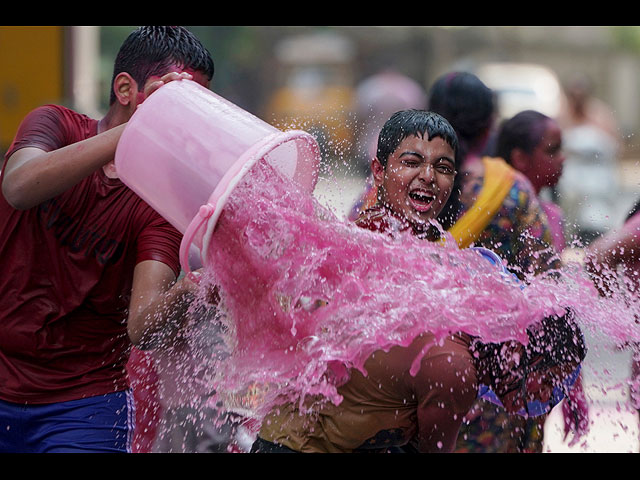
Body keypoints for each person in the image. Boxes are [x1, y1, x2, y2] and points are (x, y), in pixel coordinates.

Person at [250, 110, 585, 453]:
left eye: (442, 168)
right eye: (412, 162)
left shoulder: (443, 267)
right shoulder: (357, 248)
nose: (427, 176)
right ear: (379, 171)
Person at [0, 26, 214, 453]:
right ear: (124, 89)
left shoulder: (158, 203)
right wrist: (139, 129)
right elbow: (19, 187)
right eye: (175, 103)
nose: (184, 122)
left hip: (85, 402)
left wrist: (188, 290)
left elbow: (141, 327)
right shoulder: (54, 123)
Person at [425, 72, 563, 453]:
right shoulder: (512, 190)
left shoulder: (400, 181)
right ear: (490, 128)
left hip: (416, 384)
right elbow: (550, 285)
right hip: (492, 389)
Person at [494, 110, 590, 445]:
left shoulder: (552, 216)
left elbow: (556, 306)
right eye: (552, 150)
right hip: (496, 375)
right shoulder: (497, 215)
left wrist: (572, 386)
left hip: (539, 373)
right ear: (520, 158)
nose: (562, 159)